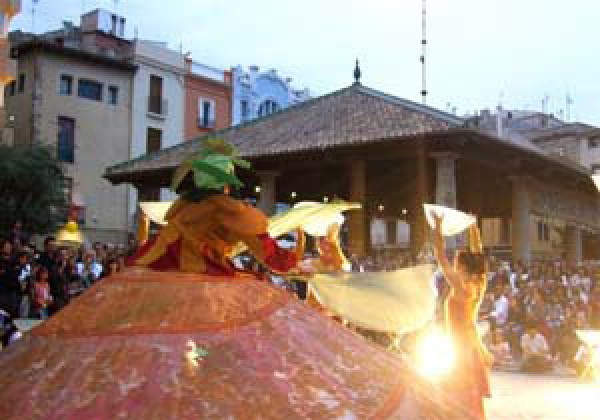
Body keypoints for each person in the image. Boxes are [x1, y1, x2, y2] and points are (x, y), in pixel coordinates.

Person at [130, 139, 305, 277]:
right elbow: (267, 252)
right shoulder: (230, 211)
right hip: (202, 275)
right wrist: (294, 261)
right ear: (228, 181)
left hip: (157, 270)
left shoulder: (185, 207)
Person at [431, 213, 491, 420]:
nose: (454, 265)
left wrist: (438, 226)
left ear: (463, 267)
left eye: (456, 263)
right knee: (468, 392)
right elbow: (479, 252)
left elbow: (439, 254)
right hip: (469, 342)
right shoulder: (480, 282)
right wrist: (473, 227)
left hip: (460, 344)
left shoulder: (460, 284)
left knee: (458, 391)